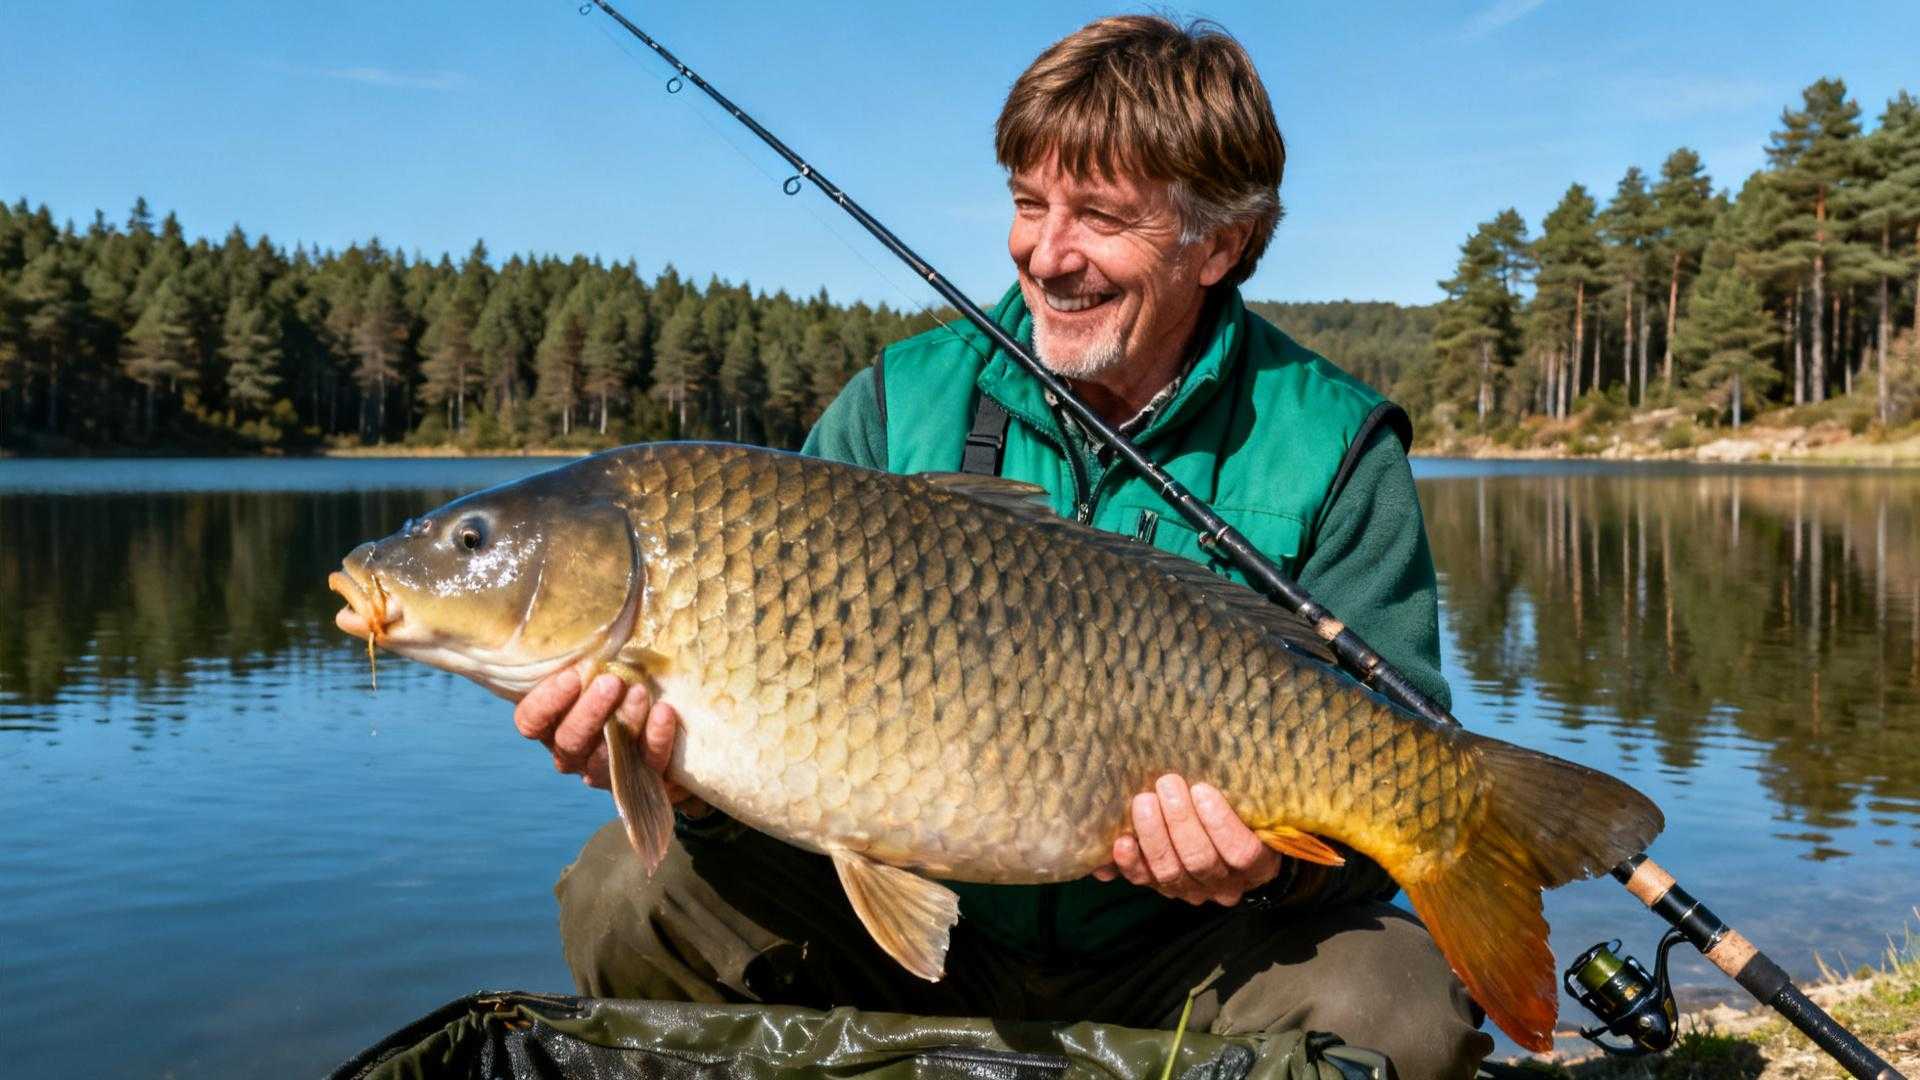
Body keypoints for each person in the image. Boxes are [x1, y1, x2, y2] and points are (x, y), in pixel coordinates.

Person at [515, 16, 1492, 1080]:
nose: (1046, 254)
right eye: (1030, 205)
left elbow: (1384, 791)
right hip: (924, 936)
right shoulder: (894, 407)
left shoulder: (1335, 445)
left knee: (1400, 1015)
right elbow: (782, 764)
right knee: (625, 893)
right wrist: (689, 787)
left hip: (1184, 953)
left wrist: (1266, 874)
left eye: (1102, 218)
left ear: (1218, 243)